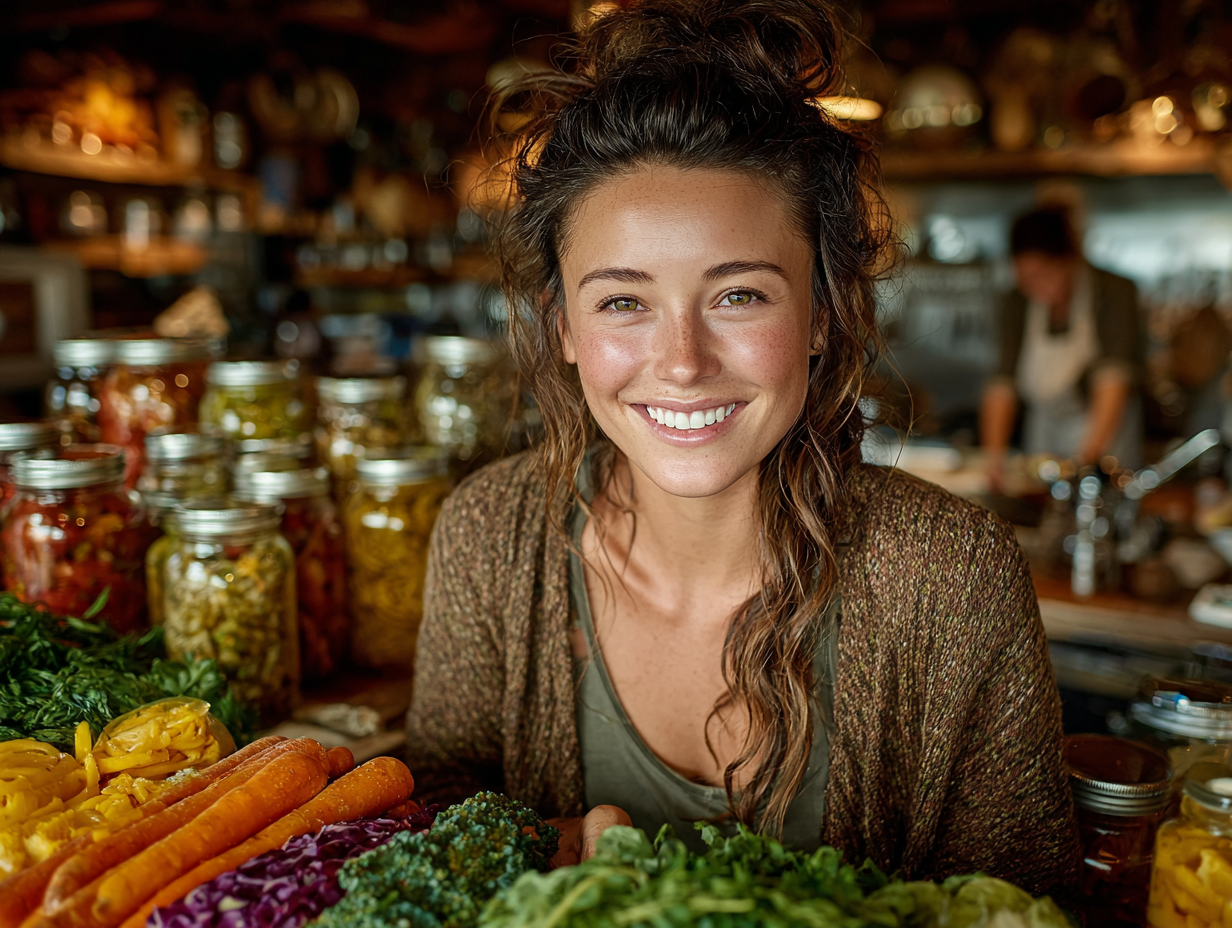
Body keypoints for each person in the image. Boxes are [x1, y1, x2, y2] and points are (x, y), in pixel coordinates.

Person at [407, 0, 1078, 893]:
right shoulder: (489, 536)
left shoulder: (953, 577)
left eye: (740, 296)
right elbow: (424, 853)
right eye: (622, 302)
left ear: (821, 315)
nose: (682, 364)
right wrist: (543, 844)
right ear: (562, 325)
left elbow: (1026, 906)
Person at [981, 206, 1143, 489]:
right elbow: (1002, 383)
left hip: (1106, 430)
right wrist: (994, 457)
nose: (1034, 287)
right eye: (1025, 279)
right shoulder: (1016, 302)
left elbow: (1113, 379)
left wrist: (1084, 463)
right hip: (1044, 427)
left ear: (1069, 261)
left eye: (1043, 275)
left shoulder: (1113, 292)